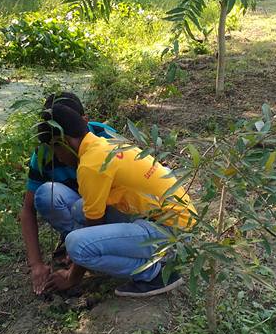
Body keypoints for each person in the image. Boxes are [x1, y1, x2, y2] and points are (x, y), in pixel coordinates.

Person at [36, 102, 195, 298]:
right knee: (79, 209)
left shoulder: (90, 165)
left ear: (64, 142)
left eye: (55, 150)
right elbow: (90, 214)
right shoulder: (106, 144)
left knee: (77, 245)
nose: (58, 158)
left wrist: (71, 277)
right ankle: (133, 257)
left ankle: (154, 273)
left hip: (171, 236)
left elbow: (93, 227)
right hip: (172, 221)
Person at [20, 92, 121, 294]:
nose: (59, 150)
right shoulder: (44, 153)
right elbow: (27, 210)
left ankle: (90, 249)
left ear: (84, 121)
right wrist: (36, 264)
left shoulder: (105, 139)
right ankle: (73, 243)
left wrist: (75, 273)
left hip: (111, 210)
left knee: (83, 209)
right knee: (46, 194)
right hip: (84, 211)